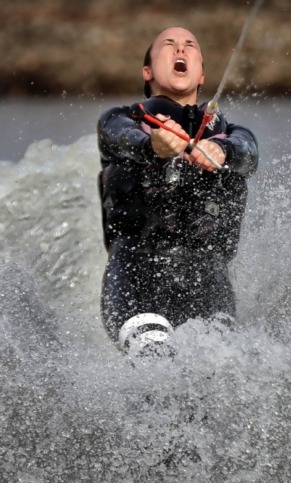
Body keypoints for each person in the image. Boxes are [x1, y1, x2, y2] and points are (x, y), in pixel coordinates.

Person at [97, 26, 259, 356]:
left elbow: (249, 154)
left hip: (207, 279)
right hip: (134, 274)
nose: (180, 50)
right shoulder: (120, 121)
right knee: (154, 355)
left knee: (219, 366)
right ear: (148, 71)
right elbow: (119, 137)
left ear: (202, 75)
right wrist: (153, 144)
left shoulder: (232, 135)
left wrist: (222, 152)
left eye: (190, 46)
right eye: (168, 45)